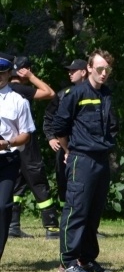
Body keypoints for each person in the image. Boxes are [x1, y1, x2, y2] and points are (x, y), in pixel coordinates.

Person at [50, 50, 118, 272]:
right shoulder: (76, 93)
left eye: (107, 69)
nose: (103, 73)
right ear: (89, 68)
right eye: (99, 68)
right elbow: (60, 126)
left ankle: (86, 259)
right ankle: (67, 262)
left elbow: (112, 126)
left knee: (93, 212)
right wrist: (69, 151)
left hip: (101, 160)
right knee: (76, 210)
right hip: (82, 158)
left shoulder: (107, 94)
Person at [8, 56, 59, 239]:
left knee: (17, 183)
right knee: (38, 181)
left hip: (10, 144)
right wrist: (31, 77)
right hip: (26, 144)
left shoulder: (7, 89)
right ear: (25, 69)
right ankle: (52, 228)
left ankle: (12, 226)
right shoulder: (20, 88)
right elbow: (50, 93)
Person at [0, 52, 36, 263]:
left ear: (8, 74)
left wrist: (8, 143)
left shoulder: (18, 101)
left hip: (7, 158)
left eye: (2, 73)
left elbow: (26, 134)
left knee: (3, 206)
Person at [43, 58, 88, 207]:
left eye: (73, 70)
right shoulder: (63, 94)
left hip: (86, 146)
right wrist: (50, 137)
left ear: (84, 72)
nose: (70, 73)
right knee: (63, 179)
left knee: (87, 183)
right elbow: (49, 116)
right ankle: (66, 215)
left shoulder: (95, 94)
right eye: (69, 70)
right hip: (64, 146)